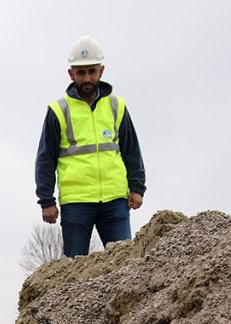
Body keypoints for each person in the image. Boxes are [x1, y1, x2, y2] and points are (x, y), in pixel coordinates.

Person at [35, 35, 147, 257]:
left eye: (91, 71)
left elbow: (131, 149)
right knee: (74, 272)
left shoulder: (117, 106)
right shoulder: (59, 111)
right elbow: (45, 159)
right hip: (76, 203)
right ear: (71, 74)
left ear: (101, 71)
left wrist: (137, 187)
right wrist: (46, 200)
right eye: (81, 72)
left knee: (124, 266)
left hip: (115, 200)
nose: (87, 78)